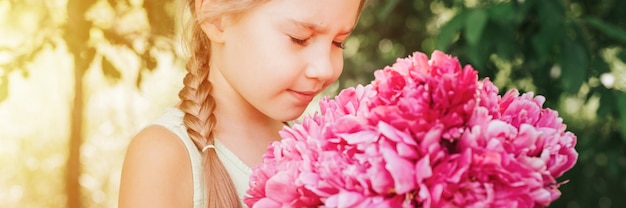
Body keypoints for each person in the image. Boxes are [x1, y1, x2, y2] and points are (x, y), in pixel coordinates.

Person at [118, 0, 365, 207]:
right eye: (299, 38)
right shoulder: (163, 156)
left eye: (338, 42)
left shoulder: (316, 148)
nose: (325, 68)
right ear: (217, 18)